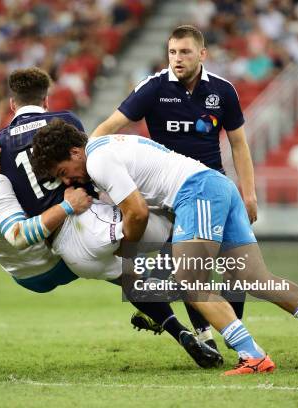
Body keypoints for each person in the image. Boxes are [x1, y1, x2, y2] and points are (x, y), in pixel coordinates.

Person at [30, 120, 298, 375]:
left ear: (75, 153)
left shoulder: (98, 161)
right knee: (256, 278)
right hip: (215, 186)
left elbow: (137, 212)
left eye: (64, 172)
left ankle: (254, 356)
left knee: (190, 282)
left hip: (195, 192)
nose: (68, 181)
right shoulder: (106, 145)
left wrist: (127, 252)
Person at [0, 119, 222, 369]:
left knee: (128, 275)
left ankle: (178, 329)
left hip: (23, 276)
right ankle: (200, 326)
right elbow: (18, 235)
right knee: (167, 233)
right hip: (53, 259)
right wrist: (67, 205)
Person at [91, 25, 255, 342]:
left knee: (240, 270)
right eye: (172, 52)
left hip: (215, 188)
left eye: (185, 52)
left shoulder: (223, 91)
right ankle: (209, 336)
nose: (177, 59)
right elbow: (108, 127)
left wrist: (249, 194)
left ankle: (222, 331)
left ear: (202, 54)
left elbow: (239, 145)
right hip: (174, 194)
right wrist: (91, 154)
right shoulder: (153, 88)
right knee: (192, 270)